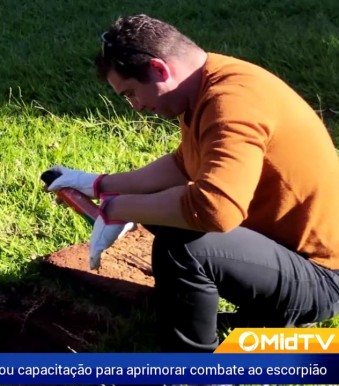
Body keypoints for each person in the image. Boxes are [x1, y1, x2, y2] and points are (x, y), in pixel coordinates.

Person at [45, 14, 339, 353]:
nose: (136, 107)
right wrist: (100, 185)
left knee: (184, 246)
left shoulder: (232, 102)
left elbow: (217, 210)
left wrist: (117, 208)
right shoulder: (208, 82)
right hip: (282, 246)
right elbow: (183, 164)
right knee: (166, 210)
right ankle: (246, 320)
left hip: (322, 276)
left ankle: (194, 363)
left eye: (131, 94)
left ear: (158, 69)